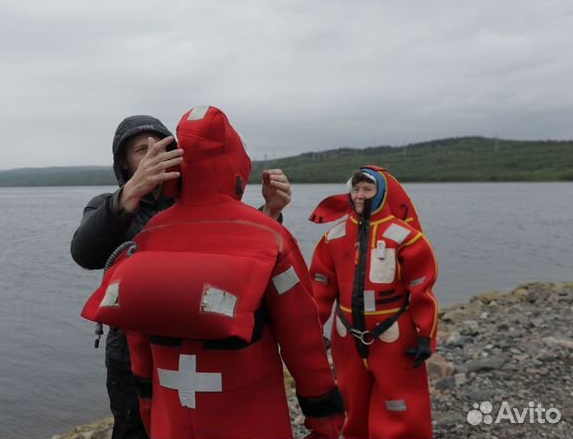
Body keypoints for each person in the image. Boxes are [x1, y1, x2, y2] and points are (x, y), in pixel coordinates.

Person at [81, 106, 345, 439]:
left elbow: (141, 343)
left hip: (169, 413)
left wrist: (150, 406)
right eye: (141, 150)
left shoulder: (151, 235)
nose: (152, 158)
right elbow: (302, 337)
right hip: (249, 416)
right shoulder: (268, 238)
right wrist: (325, 416)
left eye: (159, 148)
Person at [308, 166, 439, 439]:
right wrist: (314, 329)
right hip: (346, 335)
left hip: (393, 334)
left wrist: (425, 334)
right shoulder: (333, 238)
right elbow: (320, 287)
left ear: (382, 193)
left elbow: (421, 289)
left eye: (367, 190)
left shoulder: (406, 237)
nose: (359, 195)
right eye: (355, 189)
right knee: (352, 400)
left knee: (400, 402)